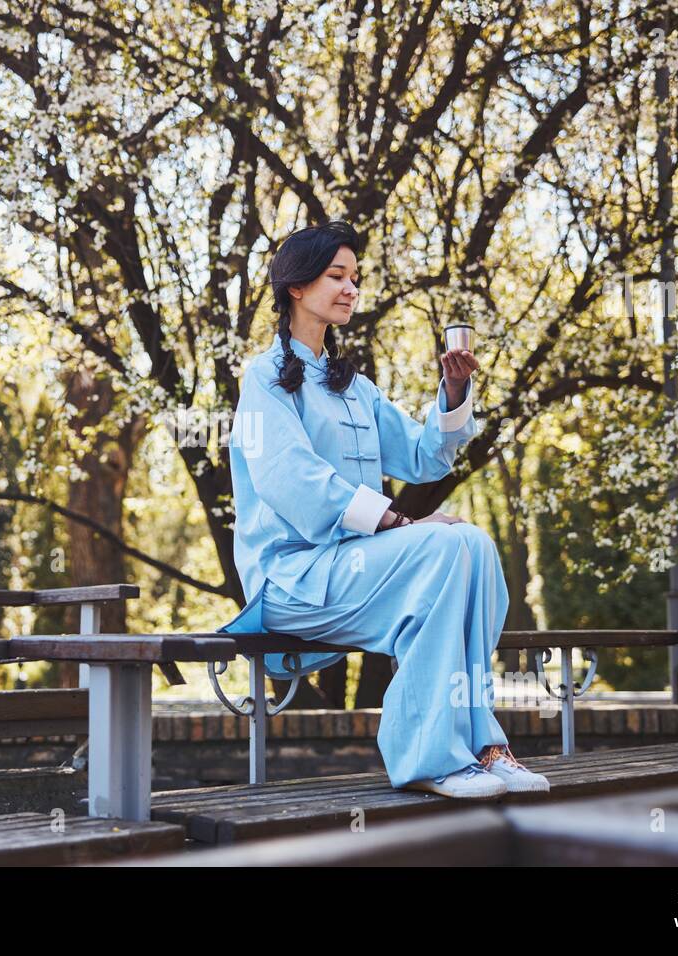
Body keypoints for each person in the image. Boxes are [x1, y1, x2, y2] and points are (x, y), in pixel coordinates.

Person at [218, 219, 549, 799]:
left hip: (355, 569)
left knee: (471, 542)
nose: (350, 289)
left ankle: (482, 745)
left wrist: (451, 395)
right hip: (294, 580)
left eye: (354, 278)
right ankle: (430, 759)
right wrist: (402, 522)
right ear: (296, 287)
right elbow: (293, 481)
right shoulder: (262, 380)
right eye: (336, 276)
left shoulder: (355, 386)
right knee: (442, 547)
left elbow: (425, 459)